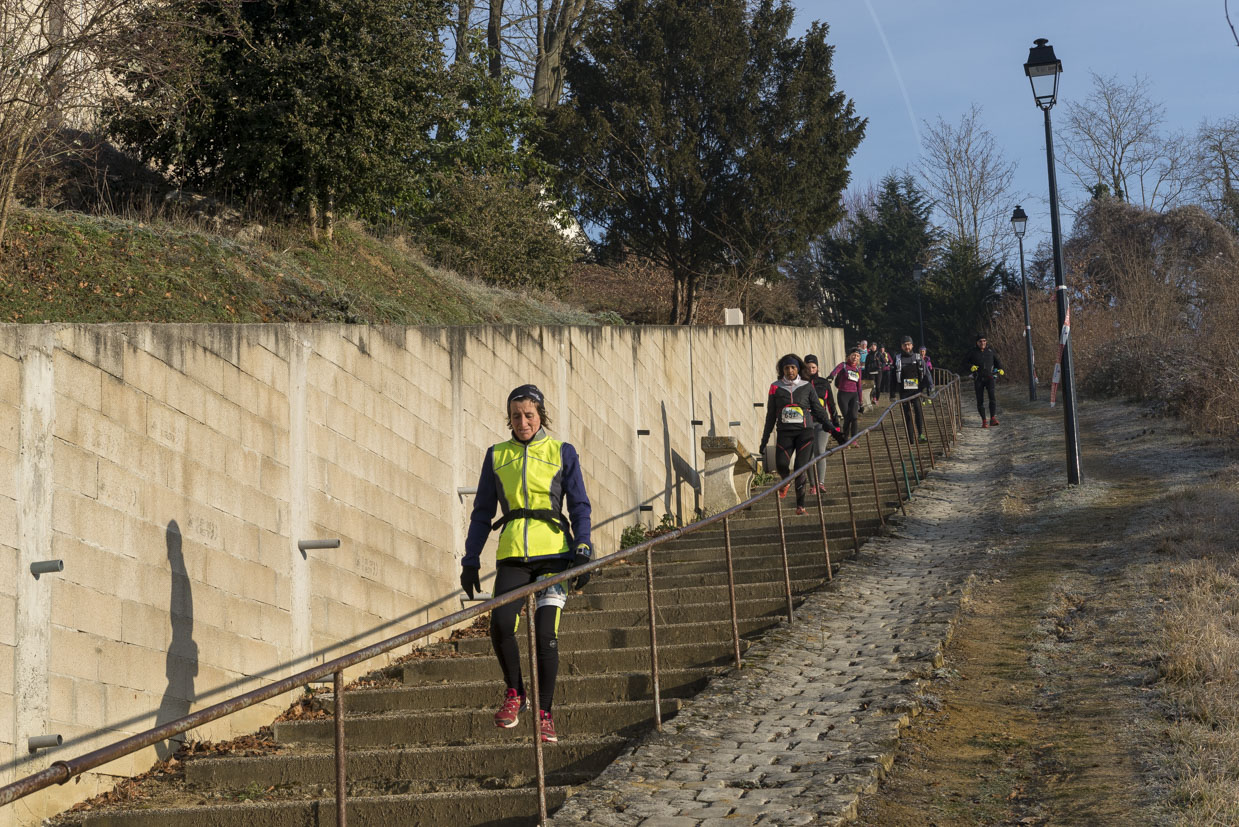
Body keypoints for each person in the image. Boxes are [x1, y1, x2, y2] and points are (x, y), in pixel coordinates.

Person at [460, 384, 593, 744]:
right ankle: (515, 693)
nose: (522, 422)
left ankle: (545, 713)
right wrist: (470, 559)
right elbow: (482, 512)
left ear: (541, 416)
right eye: (516, 416)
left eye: (529, 415)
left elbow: (579, 505)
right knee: (501, 623)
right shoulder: (496, 455)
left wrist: (583, 545)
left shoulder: (561, 452)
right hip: (513, 554)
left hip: (554, 555)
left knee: (545, 634)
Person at [760, 354, 845, 516]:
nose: (790, 371)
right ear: (782, 370)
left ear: (798, 368)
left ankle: (801, 506)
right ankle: (785, 481)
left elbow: (820, 412)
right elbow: (770, 415)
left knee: (800, 468)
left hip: (805, 432)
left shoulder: (807, 386)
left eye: (793, 367)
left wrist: (836, 432)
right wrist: (764, 440)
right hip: (785, 433)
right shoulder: (775, 387)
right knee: (781, 465)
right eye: (786, 368)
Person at [802, 354, 841, 494]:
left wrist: (836, 426)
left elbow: (831, 404)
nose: (811, 370)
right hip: (805, 424)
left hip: (822, 423)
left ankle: (821, 483)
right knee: (809, 454)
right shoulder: (799, 383)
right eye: (808, 367)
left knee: (819, 450)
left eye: (813, 367)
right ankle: (813, 485)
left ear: (817, 367)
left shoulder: (824, 383)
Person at [891, 335, 933, 444]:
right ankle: (911, 439)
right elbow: (892, 377)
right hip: (904, 391)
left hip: (916, 390)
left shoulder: (918, 357)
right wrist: (892, 394)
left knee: (918, 412)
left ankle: (920, 434)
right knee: (908, 414)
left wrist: (930, 386)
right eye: (905, 345)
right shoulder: (898, 358)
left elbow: (927, 373)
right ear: (901, 346)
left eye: (909, 345)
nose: (907, 347)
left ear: (912, 345)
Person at [965, 334, 1004, 428]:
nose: (983, 343)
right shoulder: (972, 352)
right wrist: (971, 367)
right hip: (978, 378)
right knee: (980, 400)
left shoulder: (990, 351)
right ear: (977, 342)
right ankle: (984, 421)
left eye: (984, 341)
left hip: (990, 377)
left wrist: (1000, 369)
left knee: (992, 397)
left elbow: (997, 362)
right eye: (980, 341)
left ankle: (993, 418)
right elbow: (964, 363)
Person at [828, 349, 865, 441]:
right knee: (847, 417)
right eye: (853, 355)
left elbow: (859, 385)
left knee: (854, 417)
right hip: (843, 395)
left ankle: (854, 440)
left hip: (854, 395)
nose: (855, 357)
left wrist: (861, 401)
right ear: (849, 356)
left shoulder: (858, 369)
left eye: (857, 356)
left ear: (859, 358)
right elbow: (835, 371)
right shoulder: (843, 365)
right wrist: (831, 376)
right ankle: (845, 439)